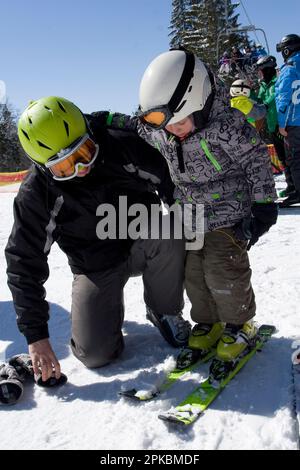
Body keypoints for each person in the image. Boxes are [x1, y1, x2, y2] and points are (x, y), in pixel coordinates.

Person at [97, 49, 278, 363]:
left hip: (228, 215)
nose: (172, 130)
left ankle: (239, 323)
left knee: (224, 272)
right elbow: (139, 127)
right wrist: (107, 119)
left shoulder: (227, 126)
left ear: (200, 102)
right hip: (191, 216)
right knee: (193, 274)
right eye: (166, 124)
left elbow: (257, 162)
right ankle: (209, 322)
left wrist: (263, 206)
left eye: (178, 122)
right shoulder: (166, 128)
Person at [5, 96, 191, 383]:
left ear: (91, 134)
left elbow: (175, 187)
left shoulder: (122, 143)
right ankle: (104, 320)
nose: (82, 168)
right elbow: (23, 262)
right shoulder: (36, 194)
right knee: (95, 355)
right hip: (95, 265)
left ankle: (163, 310)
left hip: (143, 242)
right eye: (65, 168)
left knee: (170, 229)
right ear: (43, 168)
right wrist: (36, 337)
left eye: (84, 153)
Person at [256, 55, 295, 199]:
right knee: (282, 158)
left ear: (267, 69)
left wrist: (264, 104)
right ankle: (291, 185)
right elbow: (258, 100)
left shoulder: (277, 81)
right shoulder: (263, 85)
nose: (259, 73)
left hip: (282, 124)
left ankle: (295, 186)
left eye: (261, 70)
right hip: (272, 126)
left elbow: (274, 98)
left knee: (289, 157)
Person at [275, 34, 300, 207]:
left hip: (293, 121)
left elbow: (283, 97)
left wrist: (282, 123)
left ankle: (298, 192)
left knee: (294, 158)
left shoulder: (290, 68)